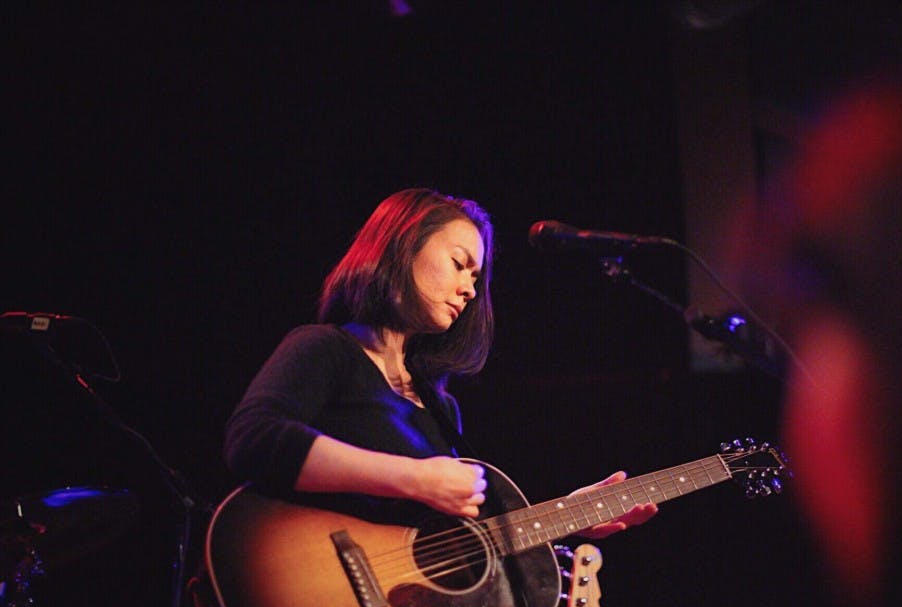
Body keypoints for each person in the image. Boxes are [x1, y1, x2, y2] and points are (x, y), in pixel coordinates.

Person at [223, 187, 656, 539]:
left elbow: (464, 544)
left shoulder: (442, 408)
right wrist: (414, 478)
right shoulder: (325, 348)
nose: (469, 290)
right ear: (402, 247)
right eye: (458, 264)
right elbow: (253, 440)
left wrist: (567, 516)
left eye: (475, 277)